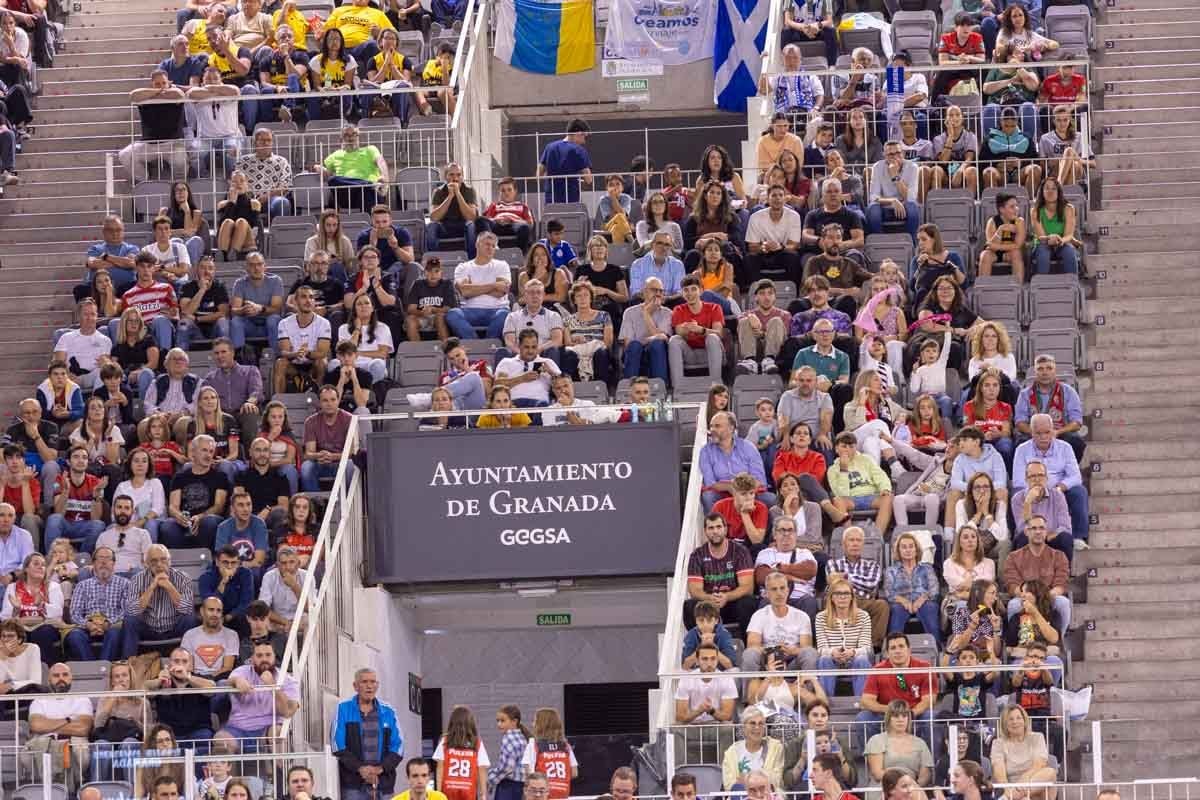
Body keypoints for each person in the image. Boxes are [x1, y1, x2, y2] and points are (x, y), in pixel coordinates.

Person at [1012, 413, 1088, 546]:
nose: (1043, 437)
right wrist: (1035, 489)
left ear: (1053, 431)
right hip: (1031, 489)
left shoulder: (1065, 447)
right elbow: (1019, 480)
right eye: (1038, 433)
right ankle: (1021, 533)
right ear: (1031, 433)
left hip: (1058, 489)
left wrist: (1060, 487)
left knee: (1079, 491)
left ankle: (1078, 536)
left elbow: (1076, 476)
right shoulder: (1022, 450)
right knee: (1016, 495)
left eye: (1047, 432)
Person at [853, 633, 935, 754]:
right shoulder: (877, 670)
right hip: (886, 715)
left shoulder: (924, 667)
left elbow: (929, 699)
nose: (898, 651)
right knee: (863, 719)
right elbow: (867, 700)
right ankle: (870, 762)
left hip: (914, 714)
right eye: (893, 648)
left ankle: (931, 762)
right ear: (887, 653)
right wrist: (891, 711)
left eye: (901, 646)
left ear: (909, 649)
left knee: (930, 717)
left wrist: (910, 713)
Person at [333, 666, 405, 800]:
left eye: (373, 682)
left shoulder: (389, 711)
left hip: (383, 784)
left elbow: (399, 747)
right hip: (353, 786)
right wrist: (361, 769)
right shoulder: (343, 709)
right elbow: (337, 745)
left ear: (377, 685)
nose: (369, 686)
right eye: (364, 682)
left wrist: (380, 769)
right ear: (355, 686)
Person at [684, 513, 757, 632]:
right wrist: (709, 598)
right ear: (705, 531)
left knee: (748, 602)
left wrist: (727, 596)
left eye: (718, 527)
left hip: (733, 602)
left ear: (725, 529)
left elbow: (748, 587)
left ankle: (747, 643)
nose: (715, 531)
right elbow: (694, 590)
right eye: (711, 528)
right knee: (689, 605)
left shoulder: (740, 551)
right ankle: (701, 645)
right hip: (709, 605)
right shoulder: (697, 555)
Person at [119, 544, 196, 657]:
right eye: (154, 561)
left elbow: (187, 609)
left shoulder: (183, 578)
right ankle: (128, 664)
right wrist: (151, 587)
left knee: (189, 618)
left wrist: (169, 587)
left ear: (169, 561)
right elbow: (132, 611)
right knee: (129, 621)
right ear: (147, 564)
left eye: (163, 559)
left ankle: (188, 661)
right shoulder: (137, 579)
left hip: (174, 626)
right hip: (148, 627)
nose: (159, 565)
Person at [221, 639, 300, 748]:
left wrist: (273, 686)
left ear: (274, 657)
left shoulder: (287, 679)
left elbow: (288, 712)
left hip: (269, 727)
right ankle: (230, 766)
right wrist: (236, 681)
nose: (264, 659)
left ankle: (278, 766)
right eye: (259, 655)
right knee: (221, 740)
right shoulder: (241, 672)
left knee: (278, 733)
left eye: (268, 655)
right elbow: (227, 682)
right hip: (238, 728)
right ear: (252, 658)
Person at [160, 435, 230, 550]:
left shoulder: (220, 477)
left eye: (211, 451)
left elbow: (219, 506)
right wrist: (179, 516)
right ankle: (180, 561)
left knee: (210, 522)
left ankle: (205, 561)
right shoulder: (180, 477)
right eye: (204, 450)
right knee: (167, 526)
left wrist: (200, 517)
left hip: (206, 520)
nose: (208, 455)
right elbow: (173, 506)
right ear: (193, 452)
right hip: (184, 522)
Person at [743, 569, 819, 673]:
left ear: (788, 591)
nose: (779, 593)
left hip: (792, 662)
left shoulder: (802, 616)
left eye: (782, 588)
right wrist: (773, 651)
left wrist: (792, 651)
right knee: (749, 654)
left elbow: (806, 648)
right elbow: (752, 645)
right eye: (774, 589)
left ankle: (806, 688)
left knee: (810, 653)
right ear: (767, 593)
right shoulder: (759, 615)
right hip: (767, 663)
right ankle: (751, 689)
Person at [1003, 517, 1071, 631]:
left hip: (1049, 597)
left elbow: (1060, 585)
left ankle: (1059, 641)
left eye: (1041, 528)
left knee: (1063, 602)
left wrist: (1043, 598)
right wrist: (1028, 598)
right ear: (1026, 532)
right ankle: (1020, 643)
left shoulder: (1059, 556)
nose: (1038, 532)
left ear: (1046, 532)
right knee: (1014, 605)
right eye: (1033, 528)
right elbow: (1012, 585)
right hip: (1024, 598)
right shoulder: (1013, 557)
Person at [28, 663, 94, 780]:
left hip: (74, 739)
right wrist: (68, 720)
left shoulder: (83, 699)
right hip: (44, 739)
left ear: (71, 678)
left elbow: (83, 729)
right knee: (34, 749)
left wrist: (48, 725)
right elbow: (36, 725)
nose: (61, 678)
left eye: (65, 675)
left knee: (80, 753)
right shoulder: (39, 701)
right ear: (49, 679)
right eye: (56, 675)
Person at [61, 545, 128, 661]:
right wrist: (88, 624)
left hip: (112, 625)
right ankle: (91, 666)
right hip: (87, 627)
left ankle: (104, 668)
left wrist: (107, 623)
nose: (103, 562)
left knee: (114, 633)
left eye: (107, 559)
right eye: (100, 558)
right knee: (74, 636)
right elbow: (74, 613)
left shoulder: (125, 584)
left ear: (113, 563)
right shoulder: (83, 585)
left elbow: (126, 611)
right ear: (93, 563)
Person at [673, 643, 738, 761]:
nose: (709, 663)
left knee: (728, 727)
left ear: (717, 660)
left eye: (713, 659)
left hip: (715, 725)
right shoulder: (686, 679)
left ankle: (724, 772)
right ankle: (679, 774)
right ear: (697, 661)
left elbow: (727, 716)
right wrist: (699, 710)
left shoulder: (727, 679)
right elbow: (680, 717)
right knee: (675, 729)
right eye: (704, 659)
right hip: (692, 726)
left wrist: (711, 710)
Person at [700, 412, 772, 511]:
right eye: (711, 426)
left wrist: (743, 493)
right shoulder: (706, 451)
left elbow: (759, 479)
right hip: (722, 493)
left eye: (717, 426)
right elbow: (710, 483)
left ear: (731, 428)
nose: (712, 430)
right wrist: (730, 487)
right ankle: (715, 525)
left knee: (771, 499)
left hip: (749, 491)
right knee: (708, 497)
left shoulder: (748, 447)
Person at [446, 231, 511, 340]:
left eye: (493, 246)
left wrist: (474, 288)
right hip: (469, 310)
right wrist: (494, 285)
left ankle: (489, 344)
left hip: (497, 309)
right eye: (487, 244)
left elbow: (500, 292)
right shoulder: (463, 267)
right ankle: (474, 342)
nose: (490, 248)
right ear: (477, 245)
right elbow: (465, 292)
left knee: (505, 315)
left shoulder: (502, 265)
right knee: (453, 314)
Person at [1, 552, 64, 663]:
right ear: (26, 569)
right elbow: (5, 616)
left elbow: (57, 613)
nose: (41, 567)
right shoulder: (13, 587)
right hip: (19, 627)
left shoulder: (53, 586)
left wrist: (41, 605)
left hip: (44, 628)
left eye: (44, 565)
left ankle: (44, 670)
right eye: (36, 564)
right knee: (14, 634)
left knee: (42, 633)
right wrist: (16, 609)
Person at [311, 126, 390, 212]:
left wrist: (385, 178)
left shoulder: (370, 149)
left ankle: (366, 186)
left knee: (365, 192)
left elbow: (381, 162)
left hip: (370, 194)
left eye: (354, 134)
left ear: (358, 136)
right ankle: (367, 184)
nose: (350, 137)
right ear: (342, 138)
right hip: (347, 195)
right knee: (333, 179)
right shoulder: (335, 155)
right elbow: (326, 172)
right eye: (346, 135)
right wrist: (317, 167)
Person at [146, 648, 216, 744]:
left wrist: (187, 677)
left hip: (198, 731)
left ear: (190, 665)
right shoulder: (161, 680)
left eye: (184, 661)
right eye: (176, 661)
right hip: (169, 734)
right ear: (170, 664)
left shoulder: (199, 678)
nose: (180, 664)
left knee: (204, 737)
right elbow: (143, 688)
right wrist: (159, 681)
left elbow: (211, 689)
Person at [883, 531, 941, 646]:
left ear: (916, 549)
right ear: (898, 551)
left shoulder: (927, 568)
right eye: (904, 547)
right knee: (896, 612)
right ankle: (892, 649)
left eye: (911, 546)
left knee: (930, 609)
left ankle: (937, 648)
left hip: (924, 601)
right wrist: (904, 601)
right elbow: (889, 593)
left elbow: (934, 590)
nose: (908, 550)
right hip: (900, 603)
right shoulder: (891, 570)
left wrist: (921, 600)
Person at [827, 431, 893, 531]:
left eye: (851, 446)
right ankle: (849, 534)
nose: (848, 449)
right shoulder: (832, 469)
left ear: (856, 447)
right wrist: (843, 469)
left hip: (871, 496)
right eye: (844, 446)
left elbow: (880, 476)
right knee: (837, 501)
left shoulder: (866, 459)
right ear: (836, 449)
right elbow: (841, 494)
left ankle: (878, 535)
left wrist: (885, 489)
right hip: (850, 499)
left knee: (888, 497)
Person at [991, 705, 1057, 800]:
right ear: (1005, 723)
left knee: (1050, 772)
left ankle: (1010, 797)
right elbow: (998, 769)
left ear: (1024, 720)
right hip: (1010, 787)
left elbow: (1040, 763)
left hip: (1035, 785)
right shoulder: (998, 743)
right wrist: (1006, 788)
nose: (1015, 722)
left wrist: (1024, 779)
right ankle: (1017, 795)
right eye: (1010, 719)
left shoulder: (1037, 737)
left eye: (1019, 718)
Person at [668, 276, 724, 387]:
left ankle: (716, 385)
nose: (690, 293)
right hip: (689, 353)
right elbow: (679, 331)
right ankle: (678, 387)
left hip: (711, 352)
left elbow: (719, 333)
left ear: (701, 290)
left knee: (713, 337)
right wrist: (687, 329)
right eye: (686, 290)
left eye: (693, 289)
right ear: (682, 293)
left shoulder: (715, 308)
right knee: (674, 340)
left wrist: (700, 330)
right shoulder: (678, 310)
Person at [276, 287, 334, 394]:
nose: (308, 301)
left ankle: (319, 397)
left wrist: (307, 353)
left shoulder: (324, 323)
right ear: (296, 301)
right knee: (280, 363)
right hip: (293, 364)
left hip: (313, 363)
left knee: (322, 362)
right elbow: (284, 351)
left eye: (311, 297)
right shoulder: (284, 323)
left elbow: (323, 352)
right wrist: (295, 353)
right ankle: (280, 401)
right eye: (303, 297)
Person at [1011, 461, 1073, 559]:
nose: (1037, 479)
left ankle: (1064, 573)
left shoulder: (1058, 496)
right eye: (1032, 476)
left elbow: (1065, 526)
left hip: (1052, 537)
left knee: (1066, 538)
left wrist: (1049, 534)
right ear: (1026, 479)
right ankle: (1026, 573)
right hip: (1029, 538)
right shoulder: (1017, 499)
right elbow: (1022, 528)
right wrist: (1027, 503)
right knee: (1023, 537)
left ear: (1046, 478)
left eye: (1040, 475)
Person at [744, 186, 804, 287]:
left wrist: (779, 247)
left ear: (785, 198)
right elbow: (752, 246)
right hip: (763, 252)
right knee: (749, 258)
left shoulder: (794, 216)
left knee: (793, 257)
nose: (778, 198)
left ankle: (793, 293)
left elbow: (794, 245)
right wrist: (763, 247)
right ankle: (756, 292)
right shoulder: (756, 217)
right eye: (774, 195)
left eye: (781, 195)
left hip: (783, 251)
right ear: (768, 199)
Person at [865, 701, 934, 786]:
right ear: (889, 718)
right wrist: (901, 785)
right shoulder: (877, 740)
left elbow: (925, 775)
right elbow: (877, 774)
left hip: (911, 789)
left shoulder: (920, 743)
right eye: (896, 716)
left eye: (904, 716)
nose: (900, 719)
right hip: (883, 787)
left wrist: (912, 788)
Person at [618, 276, 672, 382]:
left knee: (657, 343)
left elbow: (661, 338)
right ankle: (629, 388)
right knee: (634, 345)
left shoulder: (667, 313)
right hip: (635, 353)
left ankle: (660, 387)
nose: (658, 294)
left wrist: (646, 313)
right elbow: (628, 343)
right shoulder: (630, 312)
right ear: (643, 292)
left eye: (661, 291)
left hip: (657, 353)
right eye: (654, 290)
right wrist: (647, 340)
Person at [230, 251, 285, 354]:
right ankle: (240, 358)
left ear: (265, 266)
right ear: (246, 268)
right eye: (252, 265)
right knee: (236, 321)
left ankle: (277, 357)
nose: (256, 268)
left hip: (269, 324)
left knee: (273, 319)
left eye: (259, 264)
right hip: (249, 324)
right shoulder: (239, 283)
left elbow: (277, 309)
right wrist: (245, 309)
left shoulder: (275, 281)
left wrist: (260, 308)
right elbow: (234, 310)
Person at [235, 128, 294, 223]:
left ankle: (281, 234)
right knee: (237, 202)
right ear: (255, 143)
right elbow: (236, 183)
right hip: (248, 199)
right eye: (262, 141)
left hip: (271, 199)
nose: (266, 143)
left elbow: (285, 186)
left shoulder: (282, 161)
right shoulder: (243, 161)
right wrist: (249, 197)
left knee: (282, 202)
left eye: (269, 140)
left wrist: (265, 197)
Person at [302, 385, 354, 490]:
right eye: (325, 400)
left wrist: (333, 456)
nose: (329, 404)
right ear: (320, 403)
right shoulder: (311, 422)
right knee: (306, 467)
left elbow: (352, 452)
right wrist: (319, 455)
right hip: (320, 463)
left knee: (350, 465)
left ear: (338, 401)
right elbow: (309, 453)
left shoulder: (349, 419)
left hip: (341, 462)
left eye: (333, 400)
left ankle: (345, 503)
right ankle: (315, 502)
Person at [867, 142, 921, 243]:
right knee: (873, 209)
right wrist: (893, 201)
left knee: (913, 207)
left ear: (903, 153)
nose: (895, 157)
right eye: (891, 154)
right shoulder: (877, 167)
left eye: (898, 153)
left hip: (905, 207)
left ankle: (912, 244)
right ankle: (878, 244)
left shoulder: (912, 167)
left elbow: (911, 197)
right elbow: (874, 196)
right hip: (884, 207)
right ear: (884, 156)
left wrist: (895, 177)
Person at [177, 255, 233, 353]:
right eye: (203, 268)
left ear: (214, 271)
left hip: (214, 330)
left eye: (210, 268)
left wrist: (198, 319)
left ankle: (226, 359)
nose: (207, 271)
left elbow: (223, 313)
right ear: (196, 270)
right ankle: (180, 359)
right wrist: (202, 290)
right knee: (183, 323)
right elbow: (186, 312)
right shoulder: (187, 287)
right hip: (194, 329)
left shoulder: (219, 287)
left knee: (223, 322)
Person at [521, 709, 577, 799]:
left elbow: (529, 773)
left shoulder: (534, 745)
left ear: (541, 725)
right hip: (562, 794)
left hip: (541, 794)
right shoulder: (566, 746)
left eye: (535, 721)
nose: (533, 724)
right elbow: (574, 772)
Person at [1030, 176, 1080, 275]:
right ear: (1042, 192)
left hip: (1062, 243)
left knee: (1069, 251)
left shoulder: (1068, 208)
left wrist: (1060, 240)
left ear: (1059, 191)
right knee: (1043, 253)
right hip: (1043, 243)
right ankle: (1041, 285)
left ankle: (1073, 285)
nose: (1050, 191)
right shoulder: (1035, 210)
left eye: (1054, 188)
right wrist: (1051, 238)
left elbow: (1069, 235)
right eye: (1047, 188)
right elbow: (1041, 236)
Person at [722, 712, 784, 790]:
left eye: (760, 723)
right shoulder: (731, 752)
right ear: (744, 727)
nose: (757, 727)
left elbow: (776, 779)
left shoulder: (775, 747)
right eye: (752, 723)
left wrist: (747, 780)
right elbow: (729, 785)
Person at [182, 595, 240, 679]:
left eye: (218, 611)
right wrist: (201, 682)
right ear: (202, 611)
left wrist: (210, 679)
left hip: (220, 680)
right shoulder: (189, 635)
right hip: (195, 680)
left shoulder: (232, 635)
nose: (215, 614)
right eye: (211, 610)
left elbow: (227, 668)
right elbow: (189, 668)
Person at [538, 118, 592, 204]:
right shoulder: (579, 150)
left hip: (550, 199)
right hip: (570, 198)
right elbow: (588, 179)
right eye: (584, 137)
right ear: (578, 133)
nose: (584, 141)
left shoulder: (549, 147)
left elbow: (538, 174)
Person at [94, 496, 153, 574]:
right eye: (119, 507)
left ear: (132, 512)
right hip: (110, 575)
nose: (123, 511)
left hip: (133, 574)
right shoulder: (103, 536)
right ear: (113, 510)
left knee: (138, 572)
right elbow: (98, 561)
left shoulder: (142, 534)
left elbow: (148, 562)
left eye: (127, 508)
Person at [490, 707, 531, 800]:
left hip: (508, 787)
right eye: (498, 721)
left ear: (514, 721)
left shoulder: (509, 738)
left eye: (503, 721)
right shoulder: (523, 737)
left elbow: (507, 768)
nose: (499, 724)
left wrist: (490, 779)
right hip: (521, 786)